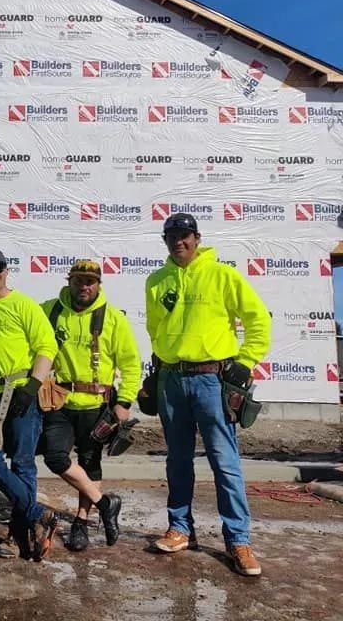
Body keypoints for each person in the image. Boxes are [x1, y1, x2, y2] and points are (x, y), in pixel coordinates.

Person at [144, 213, 270, 576]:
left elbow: (258, 318)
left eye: (185, 235)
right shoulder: (156, 281)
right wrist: (158, 371)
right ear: (165, 241)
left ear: (197, 238)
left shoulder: (222, 275)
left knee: (224, 461)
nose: (179, 241)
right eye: (172, 236)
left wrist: (245, 361)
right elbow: (156, 329)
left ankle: (238, 540)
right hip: (171, 379)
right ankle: (180, 529)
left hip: (212, 381)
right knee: (177, 460)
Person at [40, 259, 138, 552]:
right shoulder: (49, 311)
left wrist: (124, 402)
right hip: (60, 401)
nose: (84, 286)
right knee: (55, 457)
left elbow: (131, 365)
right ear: (69, 281)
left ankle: (81, 522)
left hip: (97, 404)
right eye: (79, 280)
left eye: (90, 281)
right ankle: (105, 504)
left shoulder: (113, 318)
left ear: (98, 284)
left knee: (90, 463)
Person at [0, 249, 59, 560]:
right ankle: (38, 513)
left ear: (7, 271)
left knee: (22, 463)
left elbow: (47, 345)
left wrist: (33, 385)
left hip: (22, 391)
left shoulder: (23, 304)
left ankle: (17, 536)